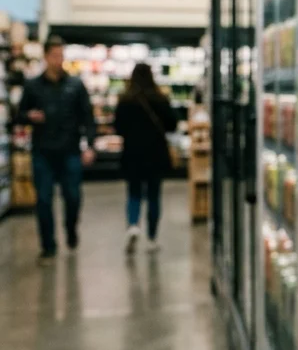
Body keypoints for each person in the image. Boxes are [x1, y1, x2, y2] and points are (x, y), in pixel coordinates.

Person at [18, 36, 96, 260]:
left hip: (70, 150)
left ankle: (71, 229)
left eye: (61, 55)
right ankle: (48, 244)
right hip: (42, 151)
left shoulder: (75, 85)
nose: (58, 60)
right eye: (54, 55)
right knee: (43, 199)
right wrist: (29, 116)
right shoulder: (33, 86)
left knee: (72, 197)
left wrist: (89, 145)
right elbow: (19, 115)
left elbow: (87, 117)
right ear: (45, 57)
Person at [114, 62, 178, 253]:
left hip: (132, 153)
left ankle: (133, 225)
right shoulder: (160, 98)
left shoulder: (125, 100)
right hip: (155, 153)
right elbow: (172, 124)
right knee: (153, 195)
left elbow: (118, 127)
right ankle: (152, 238)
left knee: (133, 192)